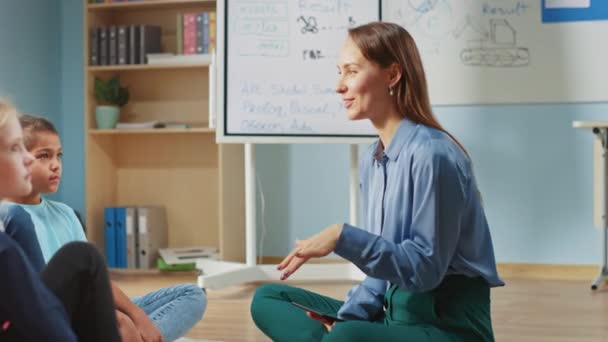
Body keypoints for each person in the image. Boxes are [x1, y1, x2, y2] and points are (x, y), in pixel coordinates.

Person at [250, 22, 505, 342]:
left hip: (448, 328)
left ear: (392, 75)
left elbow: (424, 271)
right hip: (392, 319)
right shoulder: (374, 161)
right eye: (339, 71)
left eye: (351, 71)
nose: (340, 86)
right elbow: (379, 276)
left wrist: (342, 237)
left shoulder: (434, 155)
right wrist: (347, 317)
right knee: (269, 299)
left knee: (347, 338)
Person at [5, 114, 207, 342]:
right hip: (58, 318)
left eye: (58, 156)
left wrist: (136, 315)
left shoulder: (65, 214)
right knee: (119, 320)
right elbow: (36, 303)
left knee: (192, 295)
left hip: (92, 306)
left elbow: (97, 280)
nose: (56, 165)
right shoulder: (9, 218)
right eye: (44, 156)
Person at [0, 99, 120, 341]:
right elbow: (42, 314)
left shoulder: (62, 213)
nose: (27, 159)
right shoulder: (15, 221)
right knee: (83, 257)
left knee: (188, 295)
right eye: (15, 148)